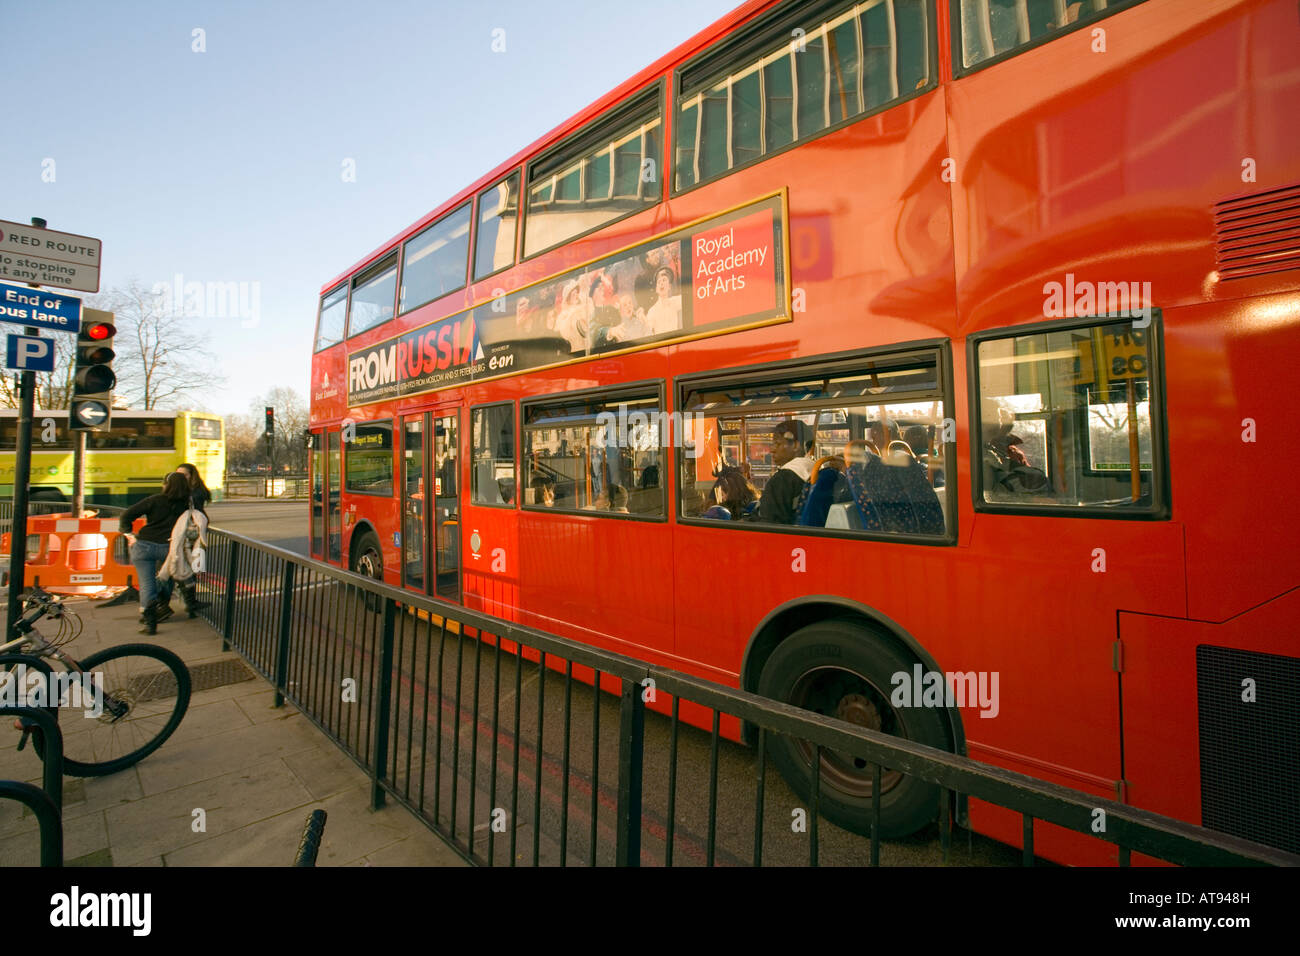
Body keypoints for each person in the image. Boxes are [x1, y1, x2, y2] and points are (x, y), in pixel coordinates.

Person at [121, 472, 191, 634]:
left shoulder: (154, 500)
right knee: (167, 578)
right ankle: (165, 605)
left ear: (166, 485)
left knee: (146, 585)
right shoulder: (187, 504)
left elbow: (127, 515)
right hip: (169, 548)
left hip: (144, 545)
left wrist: (129, 534)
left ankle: (150, 622)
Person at [156, 464, 212, 616]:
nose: (180, 478)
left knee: (181, 569)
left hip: (187, 536)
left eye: (184, 475)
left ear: (191, 476)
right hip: (178, 537)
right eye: (178, 474)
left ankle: (171, 604)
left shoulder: (194, 493)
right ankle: (173, 604)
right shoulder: (184, 493)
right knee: (174, 570)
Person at [758, 420, 814, 524]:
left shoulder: (782, 479)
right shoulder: (815, 471)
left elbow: (767, 524)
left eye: (777, 443)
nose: (772, 450)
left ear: (796, 446)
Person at [644, 267, 682, 336]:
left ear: (669, 286)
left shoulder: (675, 301)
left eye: (664, 280)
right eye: (659, 282)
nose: (661, 283)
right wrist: (643, 320)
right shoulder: (652, 311)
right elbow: (647, 332)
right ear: (656, 289)